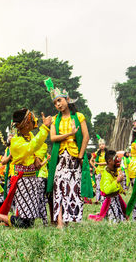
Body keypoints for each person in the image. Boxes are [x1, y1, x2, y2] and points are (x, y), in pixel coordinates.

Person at [0, 108, 52, 228]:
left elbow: (41, 146)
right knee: (25, 223)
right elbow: (34, 146)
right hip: (23, 182)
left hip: (32, 179)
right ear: (26, 124)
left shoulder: (30, 135)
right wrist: (45, 128)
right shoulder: (16, 142)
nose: (35, 120)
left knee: (29, 222)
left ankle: (1, 219)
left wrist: (36, 156)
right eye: (33, 119)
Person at [45, 78, 93, 228]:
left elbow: (86, 136)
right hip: (60, 159)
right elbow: (53, 138)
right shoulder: (54, 120)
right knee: (58, 188)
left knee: (73, 189)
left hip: (74, 158)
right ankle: (60, 222)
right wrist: (69, 134)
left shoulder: (79, 116)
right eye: (55, 103)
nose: (58, 104)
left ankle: (69, 219)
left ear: (67, 99)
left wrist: (80, 156)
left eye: (59, 100)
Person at [88, 150, 127, 222]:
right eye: (116, 159)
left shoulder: (114, 170)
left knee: (122, 217)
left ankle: (104, 214)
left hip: (115, 197)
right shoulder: (106, 174)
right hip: (109, 199)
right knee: (115, 220)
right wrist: (117, 181)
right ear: (110, 161)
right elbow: (107, 190)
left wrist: (121, 190)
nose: (119, 160)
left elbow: (116, 185)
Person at [94, 136, 107, 204]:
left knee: (103, 185)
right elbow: (91, 160)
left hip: (105, 171)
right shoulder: (97, 153)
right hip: (98, 171)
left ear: (105, 145)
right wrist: (95, 167)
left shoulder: (107, 153)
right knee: (98, 186)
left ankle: (103, 199)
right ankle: (97, 199)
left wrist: (100, 163)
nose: (101, 146)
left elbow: (108, 161)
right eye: (100, 145)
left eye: (103, 144)